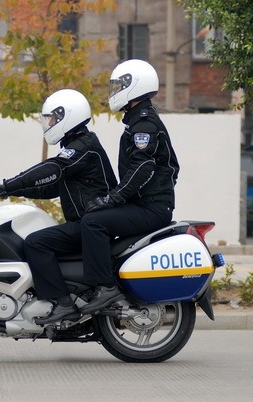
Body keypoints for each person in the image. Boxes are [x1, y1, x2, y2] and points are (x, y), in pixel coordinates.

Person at [0, 89, 117, 324]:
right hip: (87, 222)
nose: (49, 124)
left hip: (91, 222)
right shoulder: (78, 147)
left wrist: (7, 184)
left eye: (53, 118)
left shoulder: (82, 147)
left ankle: (63, 302)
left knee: (36, 242)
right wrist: (7, 191)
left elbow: (53, 169)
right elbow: (49, 187)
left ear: (68, 117)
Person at [79, 59, 180, 314]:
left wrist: (113, 198)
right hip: (149, 203)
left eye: (118, 85)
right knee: (94, 217)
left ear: (134, 86)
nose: (114, 91)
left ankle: (104, 287)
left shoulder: (143, 124)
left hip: (151, 208)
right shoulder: (138, 120)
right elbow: (169, 168)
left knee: (94, 222)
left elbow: (142, 168)